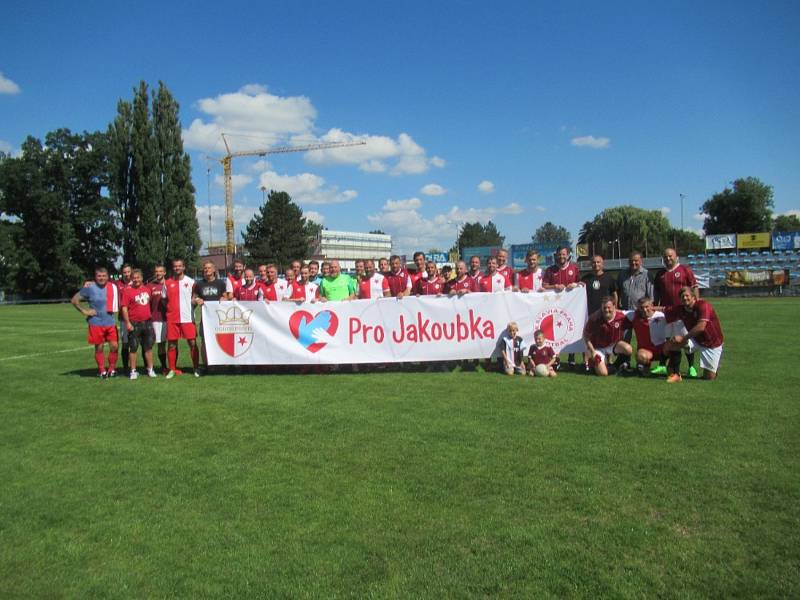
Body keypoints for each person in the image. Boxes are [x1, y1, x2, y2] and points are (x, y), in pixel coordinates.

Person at [654, 248, 699, 377]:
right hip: (668, 313)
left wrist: (696, 304)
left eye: (670, 256)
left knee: (685, 340)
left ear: (676, 256)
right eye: (666, 257)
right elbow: (657, 292)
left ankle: (691, 367)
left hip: (683, 312)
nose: (668, 259)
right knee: (671, 341)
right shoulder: (660, 274)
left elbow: (694, 287)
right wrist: (656, 306)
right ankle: (674, 368)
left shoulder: (685, 270)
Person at [663, 287, 724, 382]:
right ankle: (675, 374)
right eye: (682, 296)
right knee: (673, 342)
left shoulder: (704, 305)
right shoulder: (681, 309)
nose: (684, 298)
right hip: (695, 339)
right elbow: (664, 309)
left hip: (711, 343)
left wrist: (684, 338)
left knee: (709, 377)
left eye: (687, 296)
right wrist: (649, 307)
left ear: (693, 297)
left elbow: (701, 327)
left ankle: (714, 367)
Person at [71, 267, 119, 378]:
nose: (101, 278)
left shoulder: (112, 287)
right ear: (95, 277)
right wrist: (84, 311)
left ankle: (111, 369)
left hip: (110, 322)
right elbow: (74, 300)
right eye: (99, 276)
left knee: (114, 346)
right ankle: (102, 370)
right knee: (99, 347)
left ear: (107, 277)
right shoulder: (90, 288)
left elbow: (123, 280)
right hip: (96, 323)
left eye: (104, 276)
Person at [544, 246, 583, 369]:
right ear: (556, 255)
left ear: (568, 255)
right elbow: (544, 285)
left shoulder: (574, 268)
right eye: (559, 254)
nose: (561, 256)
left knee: (571, 329)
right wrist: (554, 286)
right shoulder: (550, 270)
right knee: (556, 332)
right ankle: (556, 358)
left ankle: (571, 356)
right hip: (555, 306)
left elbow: (581, 284)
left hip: (571, 307)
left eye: (564, 254)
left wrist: (575, 284)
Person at [163, 258, 200, 379]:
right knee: (172, 344)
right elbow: (164, 300)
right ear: (173, 268)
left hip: (187, 318)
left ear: (184, 267)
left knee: (192, 343)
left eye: (179, 266)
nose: (177, 268)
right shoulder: (167, 283)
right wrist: (170, 309)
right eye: (175, 266)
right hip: (172, 319)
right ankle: (172, 369)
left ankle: (196, 368)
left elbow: (195, 299)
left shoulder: (191, 282)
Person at [120, 268, 157, 379]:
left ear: (142, 278)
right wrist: (127, 323)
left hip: (147, 322)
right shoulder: (127, 291)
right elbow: (124, 308)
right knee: (133, 348)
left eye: (138, 277)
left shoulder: (147, 289)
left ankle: (150, 369)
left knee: (148, 347)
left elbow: (150, 305)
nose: (136, 280)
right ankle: (133, 371)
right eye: (134, 278)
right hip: (134, 323)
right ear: (131, 279)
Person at [192, 261, 229, 370]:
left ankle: (223, 364)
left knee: (221, 340)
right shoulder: (199, 284)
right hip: (206, 318)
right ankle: (206, 364)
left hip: (219, 318)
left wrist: (224, 298)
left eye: (209, 268)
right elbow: (193, 299)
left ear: (214, 270)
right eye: (205, 268)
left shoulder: (221, 283)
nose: (206, 270)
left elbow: (226, 298)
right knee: (205, 341)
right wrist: (197, 299)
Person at [583, 296, 633, 377]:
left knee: (628, 349)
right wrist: (592, 352)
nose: (606, 310)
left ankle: (616, 366)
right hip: (597, 347)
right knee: (603, 373)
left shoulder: (621, 317)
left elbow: (635, 321)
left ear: (614, 306)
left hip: (612, 345)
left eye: (609, 307)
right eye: (604, 308)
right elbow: (585, 335)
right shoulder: (594, 318)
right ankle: (593, 364)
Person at [625, 296, 667, 376]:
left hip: (662, 349)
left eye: (647, 307)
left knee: (672, 346)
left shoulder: (661, 316)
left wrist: (661, 308)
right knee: (640, 356)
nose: (644, 310)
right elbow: (617, 312)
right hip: (647, 351)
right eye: (641, 307)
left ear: (652, 305)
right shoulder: (634, 315)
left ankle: (673, 369)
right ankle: (646, 366)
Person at [148, 264, 169, 372]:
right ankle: (163, 366)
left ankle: (173, 367)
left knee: (172, 343)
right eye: (156, 271)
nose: (158, 273)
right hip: (156, 319)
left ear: (164, 272)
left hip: (169, 318)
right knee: (160, 344)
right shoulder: (150, 286)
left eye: (160, 271)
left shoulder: (169, 284)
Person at [116, 264, 134, 371]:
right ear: (122, 273)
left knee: (140, 343)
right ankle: (126, 368)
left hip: (136, 317)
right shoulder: (117, 284)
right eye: (124, 272)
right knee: (125, 343)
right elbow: (104, 283)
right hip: (123, 318)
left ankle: (146, 367)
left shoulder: (136, 282)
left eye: (128, 272)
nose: (127, 274)